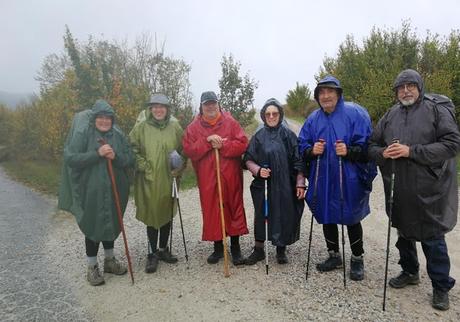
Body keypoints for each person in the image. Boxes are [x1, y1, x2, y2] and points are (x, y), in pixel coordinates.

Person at [368, 69, 460, 310]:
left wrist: (412, 151)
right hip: (398, 187)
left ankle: (441, 286)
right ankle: (410, 271)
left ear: (419, 87)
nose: (405, 90)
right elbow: (372, 145)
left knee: (432, 239)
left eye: (410, 86)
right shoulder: (390, 115)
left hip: (431, 189)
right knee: (404, 232)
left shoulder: (436, 110)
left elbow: (451, 144)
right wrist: (382, 153)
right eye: (401, 87)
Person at [298, 75, 376, 281]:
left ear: (338, 94)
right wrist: (311, 150)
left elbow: (368, 146)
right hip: (322, 176)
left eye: (330, 91)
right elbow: (302, 145)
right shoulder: (313, 119)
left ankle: (357, 258)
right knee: (326, 214)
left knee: (351, 216)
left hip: (348, 175)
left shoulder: (355, 114)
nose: (325, 96)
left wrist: (349, 151)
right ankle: (334, 255)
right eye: (321, 93)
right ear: (317, 97)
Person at [58, 99, 134, 286]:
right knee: (93, 224)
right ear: (94, 119)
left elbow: (128, 159)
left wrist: (115, 156)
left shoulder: (117, 135)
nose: (104, 121)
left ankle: (110, 261)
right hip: (90, 189)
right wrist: (97, 153)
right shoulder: (83, 134)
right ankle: (92, 267)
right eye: (100, 117)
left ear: (112, 119)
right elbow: (71, 159)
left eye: (108, 118)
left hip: (115, 188)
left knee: (112, 222)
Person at [182, 91, 248, 265]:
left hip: (230, 176)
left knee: (233, 208)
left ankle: (235, 248)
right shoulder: (193, 128)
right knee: (213, 210)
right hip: (207, 177)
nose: (210, 107)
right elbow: (189, 150)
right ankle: (218, 247)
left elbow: (242, 144)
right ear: (201, 106)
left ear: (218, 104)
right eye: (206, 104)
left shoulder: (230, 123)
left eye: (213, 103)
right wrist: (206, 141)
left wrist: (223, 144)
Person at [243, 98, 305, 265]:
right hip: (263, 184)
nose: (271, 116)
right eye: (268, 114)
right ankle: (258, 249)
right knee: (261, 214)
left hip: (285, 183)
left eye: (274, 113)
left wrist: (300, 183)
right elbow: (247, 159)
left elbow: (299, 161)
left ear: (280, 114)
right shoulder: (258, 136)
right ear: (263, 116)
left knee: (283, 213)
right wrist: (258, 170)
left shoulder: (288, 135)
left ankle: (281, 249)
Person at [129, 93, 186, 273]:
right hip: (149, 179)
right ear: (150, 109)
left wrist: (180, 165)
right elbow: (131, 148)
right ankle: (152, 253)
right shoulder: (141, 127)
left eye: (162, 107)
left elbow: (184, 148)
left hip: (171, 177)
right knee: (152, 214)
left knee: (167, 212)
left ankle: (163, 250)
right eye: (155, 107)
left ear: (167, 109)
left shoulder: (175, 126)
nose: (158, 110)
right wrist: (144, 167)